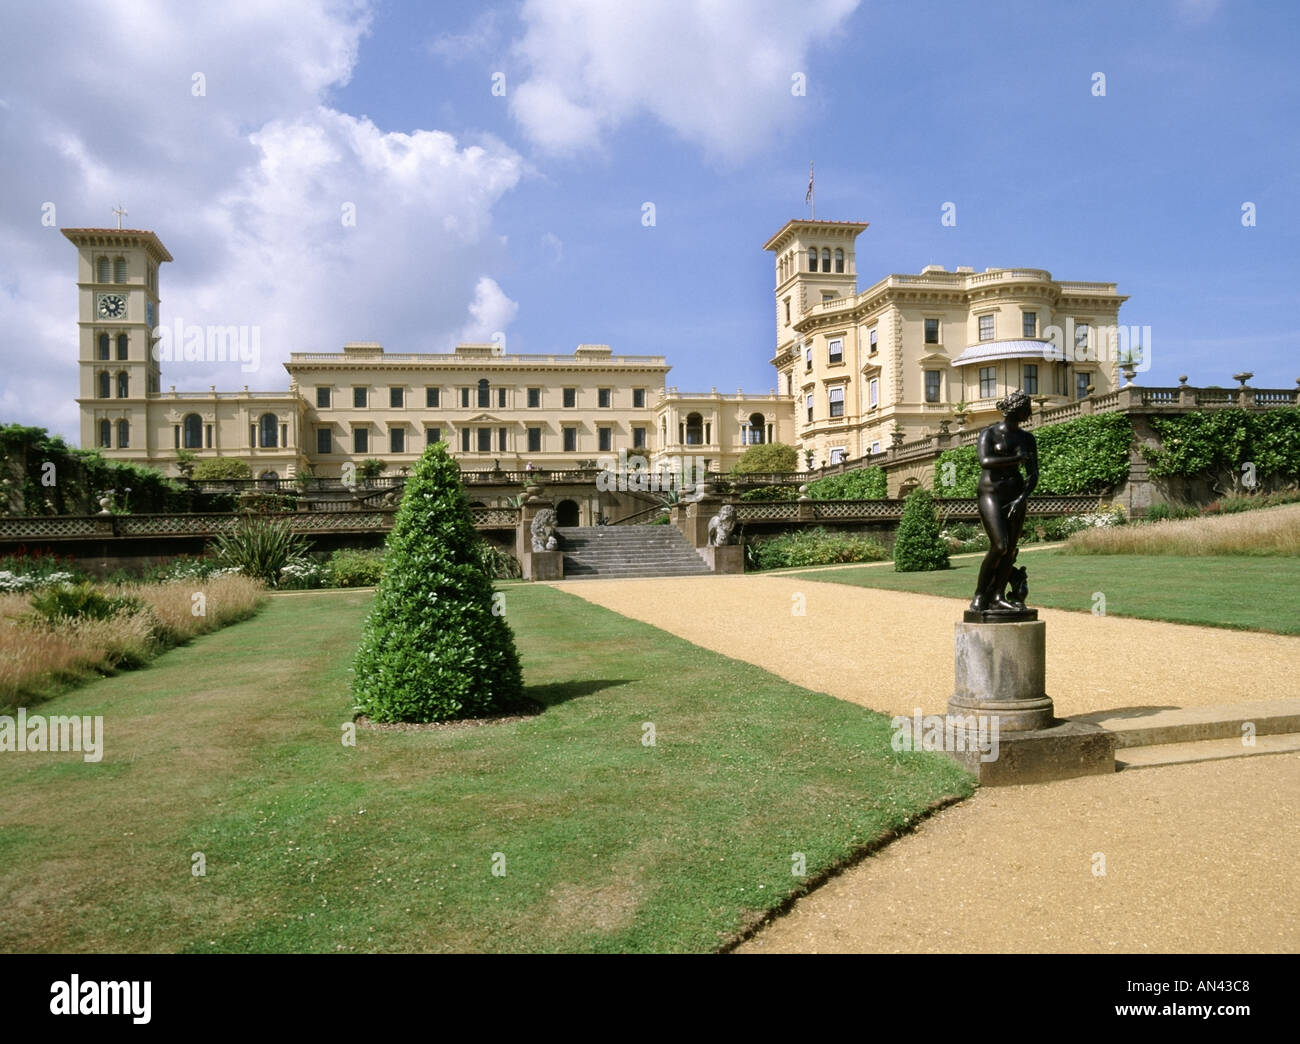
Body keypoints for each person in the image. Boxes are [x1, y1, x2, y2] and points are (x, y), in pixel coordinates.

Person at [970, 390, 1037, 612]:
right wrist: (1016, 459)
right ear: (1014, 410)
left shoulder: (1028, 438)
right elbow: (985, 461)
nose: (1028, 413)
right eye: (1025, 409)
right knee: (1000, 545)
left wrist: (1021, 498)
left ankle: (998, 595)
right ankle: (980, 594)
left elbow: (1033, 474)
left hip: (1015, 495)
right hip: (991, 493)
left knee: (1011, 550)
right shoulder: (988, 434)